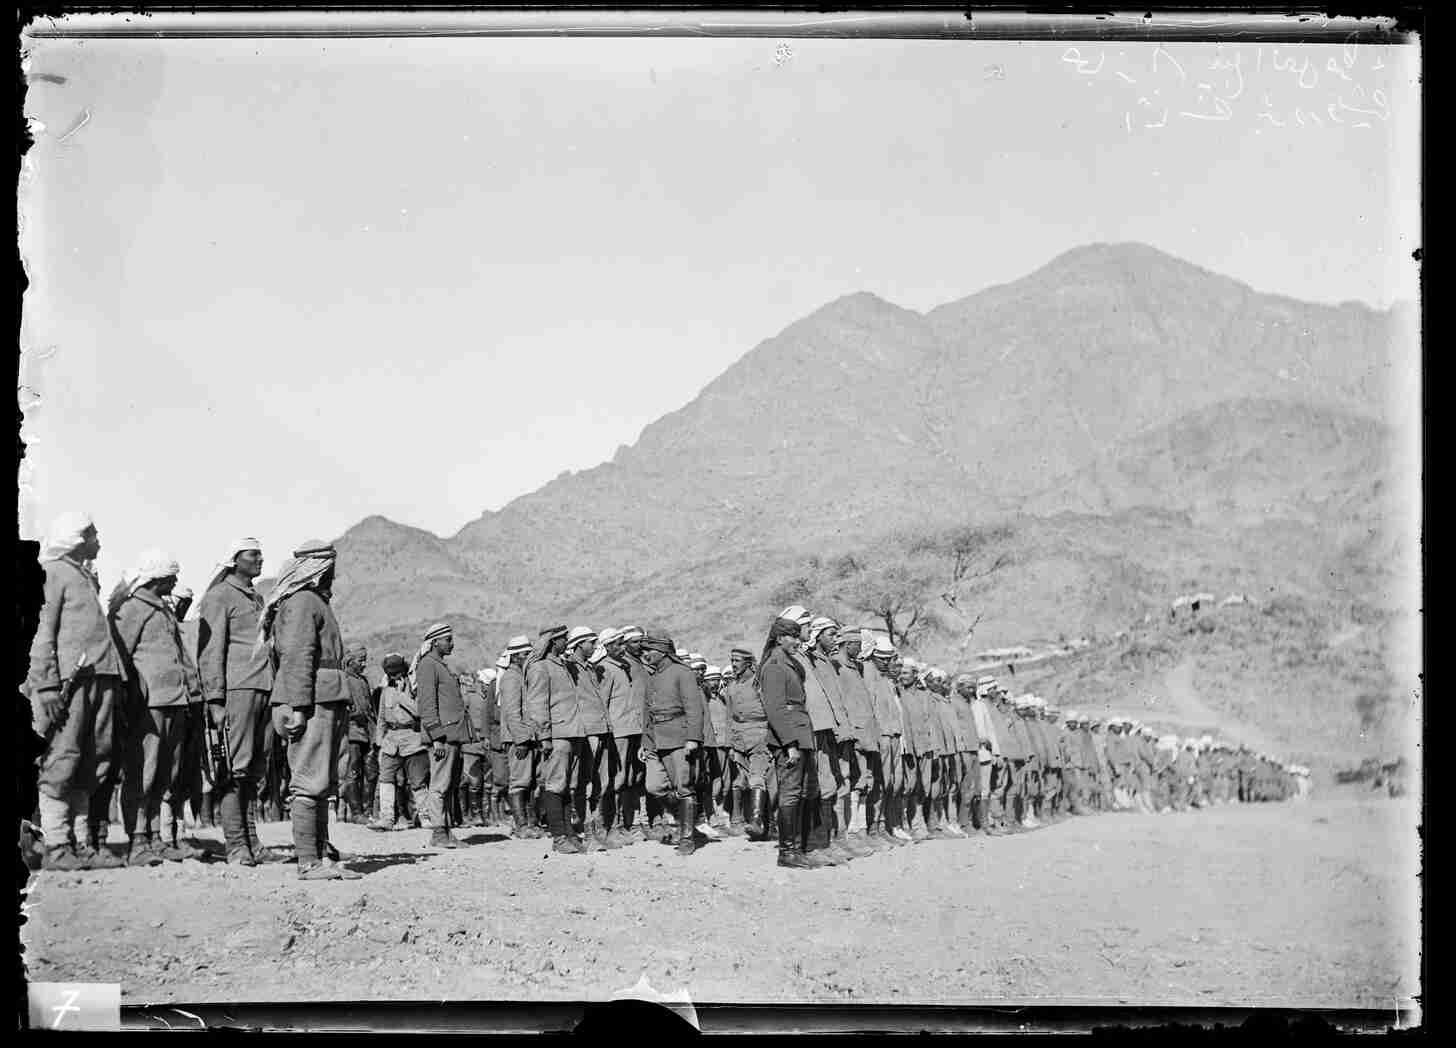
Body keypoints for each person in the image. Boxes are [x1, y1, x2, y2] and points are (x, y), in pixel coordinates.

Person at [27, 512, 128, 872]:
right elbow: (40, 632)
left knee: (91, 761)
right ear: (76, 538)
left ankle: (82, 844)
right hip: (69, 685)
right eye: (93, 534)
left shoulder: (83, 576)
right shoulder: (53, 573)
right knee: (63, 758)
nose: (98, 541)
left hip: (99, 679)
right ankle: (56, 845)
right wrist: (46, 684)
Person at [263, 540, 360, 880]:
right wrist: (299, 706)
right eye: (329, 568)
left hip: (325, 696)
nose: (333, 575)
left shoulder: (313, 601)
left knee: (321, 780)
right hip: (312, 700)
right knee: (308, 779)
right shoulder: (304, 602)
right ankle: (308, 862)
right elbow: (297, 656)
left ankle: (320, 856)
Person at [110, 550, 205, 866]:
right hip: (147, 706)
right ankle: (138, 841)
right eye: (171, 576)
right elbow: (119, 656)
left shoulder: (163, 610)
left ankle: (155, 838)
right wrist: (128, 699)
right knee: (143, 773)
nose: (176, 581)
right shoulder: (131, 609)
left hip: (175, 702)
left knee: (166, 774)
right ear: (157, 578)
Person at [197, 537, 283, 866]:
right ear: (235, 559)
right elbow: (211, 650)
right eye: (253, 554)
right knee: (234, 768)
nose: (260, 559)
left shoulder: (256, 597)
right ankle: (236, 844)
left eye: (261, 553)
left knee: (254, 770)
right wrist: (215, 699)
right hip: (237, 689)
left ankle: (252, 842)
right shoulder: (219, 596)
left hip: (264, 687)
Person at [803, 618, 871, 859]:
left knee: (841, 784)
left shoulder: (829, 663)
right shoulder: (811, 661)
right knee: (825, 785)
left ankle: (838, 837)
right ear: (817, 635)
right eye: (831, 634)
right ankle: (821, 839)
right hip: (825, 730)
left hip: (841, 731)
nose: (836, 639)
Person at [758, 616, 819, 869]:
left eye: (797, 636)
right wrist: (790, 744)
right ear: (779, 638)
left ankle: (797, 849)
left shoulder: (788, 663)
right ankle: (787, 852)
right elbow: (775, 709)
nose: (797, 641)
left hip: (800, 733)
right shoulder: (774, 666)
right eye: (792, 637)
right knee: (790, 794)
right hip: (790, 738)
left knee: (801, 792)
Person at [639, 633, 704, 858]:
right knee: (654, 786)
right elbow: (647, 713)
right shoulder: (652, 676)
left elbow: (694, 708)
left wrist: (693, 738)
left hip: (679, 737)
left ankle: (687, 838)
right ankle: (684, 820)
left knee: (684, 787)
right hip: (656, 739)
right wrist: (645, 742)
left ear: (662, 651)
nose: (645, 654)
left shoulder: (683, 672)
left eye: (649, 649)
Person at [528, 624, 588, 854]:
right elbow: (537, 704)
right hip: (557, 735)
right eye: (564, 638)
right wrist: (544, 736)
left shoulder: (562, 666)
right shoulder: (540, 668)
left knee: (567, 786)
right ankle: (558, 836)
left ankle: (569, 833)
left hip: (572, 732)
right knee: (555, 784)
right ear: (553, 641)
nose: (567, 642)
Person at [833, 629, 890, 852]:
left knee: (865, 782)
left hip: (866, 732)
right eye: (856, 644)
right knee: (852, 783)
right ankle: (850, 832)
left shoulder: (856, 667)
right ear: (848, 644)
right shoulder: (837, 666)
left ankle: (861, 829)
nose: (860, 649)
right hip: (853, 732)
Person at [413, 623, 469, 850]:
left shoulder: (439, 665)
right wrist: (437, 736)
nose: (451, 644)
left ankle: (446, 831)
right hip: (442, 736)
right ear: (435, 642)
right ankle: (438, 833)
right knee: (439, 785)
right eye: (448, 639)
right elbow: (427, 705)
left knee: (448, 785)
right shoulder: (428, 665)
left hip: (451, 734)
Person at [565, 627, 616, 851]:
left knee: (599, 783)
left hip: (601, 729)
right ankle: (587, 832)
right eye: (591, 642)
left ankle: (597, 830)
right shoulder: (570, 668)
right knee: (584, 783)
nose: (595, 646)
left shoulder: (589, 668)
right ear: (579, 644)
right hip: (586, 731)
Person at [370, 652, 429, 831]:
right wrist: (379, 742)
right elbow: (381, 718)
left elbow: (419, 711)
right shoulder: (385, 691)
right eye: (391, 674)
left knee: (418, 781)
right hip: (391, 741)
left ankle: (425, 817)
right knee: (386, 779)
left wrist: (400, 695)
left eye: (397, 673)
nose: (395, 677)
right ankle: (387, 818)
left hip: (412, 740)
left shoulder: (415, 688)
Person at [497, 635, 544, 838]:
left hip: (528, 737)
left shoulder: (521, 676)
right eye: (525, 654)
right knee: (520, 781)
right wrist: (521, 739)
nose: (528, 658)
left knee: (531, 781)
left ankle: (531, 823)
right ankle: (521, 826)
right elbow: (512, 712)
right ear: (515, 657)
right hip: (519, 739)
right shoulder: (511, 678)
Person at [599, 628, 643, 846]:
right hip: (618, 731)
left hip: (632, 729)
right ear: (607, 647)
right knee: (616, 779)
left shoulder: (622, 667)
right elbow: (603, 702)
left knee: (629, 778)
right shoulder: (606, 668)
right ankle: (612, 825)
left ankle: (627, 824)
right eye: (617, 644)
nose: (621, 647)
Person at [863, 638, 909, 845]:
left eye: (888, 659)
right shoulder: (867, 673)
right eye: (883, 658)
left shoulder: (886, 679)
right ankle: (873, 827)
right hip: (880, 735)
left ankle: (883, 825)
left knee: (890, 782)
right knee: (877, 783)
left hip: (893, 734)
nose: (887, 662)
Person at [724, 646, 771, 840]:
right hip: (738, 740)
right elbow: (729, 717)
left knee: (757, 778)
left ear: (749, 663)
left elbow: (770, 711)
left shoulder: (759, 683)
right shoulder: (731, 686)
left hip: (759, 736)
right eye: (732, 660)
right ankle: (741, 820)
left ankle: (757, 822)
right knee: (740, 781)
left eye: (737, 661)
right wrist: (730, 744)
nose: (733, 664)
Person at [338, 642, 377, 824]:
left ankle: (367, 811)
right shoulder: (342, 679)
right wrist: (353, 714)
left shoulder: (364, 681)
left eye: (365, 660)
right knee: (353, 772)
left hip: (367, 732)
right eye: (361, 660)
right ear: (350, 660)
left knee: (371, 773)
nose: (364, 664)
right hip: (351, 732)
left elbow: (370, 709)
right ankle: (356, 812)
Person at [950, 673, 984, 834]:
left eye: (973, 688)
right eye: (968, 687)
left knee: (974, 788)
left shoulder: (966, 703)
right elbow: (956, 728)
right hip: (964, 749)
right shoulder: (954, 702)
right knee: (966, 788)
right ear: (960, 687)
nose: (971, 691)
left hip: (973, 748)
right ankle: (963, 823)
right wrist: (961, 748)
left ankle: (968, 820)